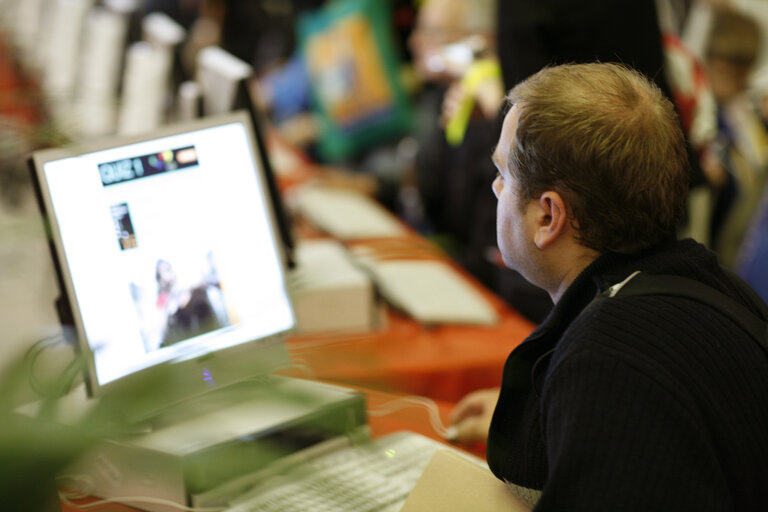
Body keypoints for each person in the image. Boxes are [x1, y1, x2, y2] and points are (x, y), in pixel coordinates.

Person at [450, 62, 768, 510]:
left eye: (504, 172)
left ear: (547, 217)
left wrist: (584, 404)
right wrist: (550, 421)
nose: (495, 186)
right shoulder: (711, 285)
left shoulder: (605, 361)